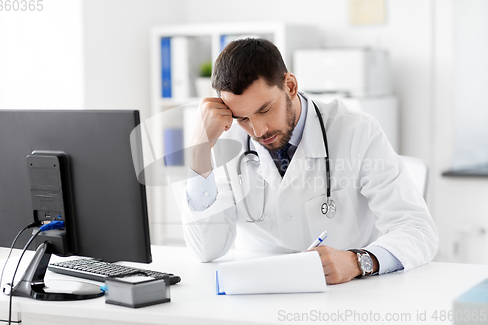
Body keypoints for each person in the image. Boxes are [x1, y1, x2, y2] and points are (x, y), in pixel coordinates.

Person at [182, 38, 438, 284]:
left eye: (265, 110)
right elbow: (206, 250)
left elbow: (417, 230)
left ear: (290, 85)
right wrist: (199, 150)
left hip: (346, 293)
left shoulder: (357, 131)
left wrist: (356, 262)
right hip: (259, 295)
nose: (258, 131)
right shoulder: (229, 142)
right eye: (243, 118)